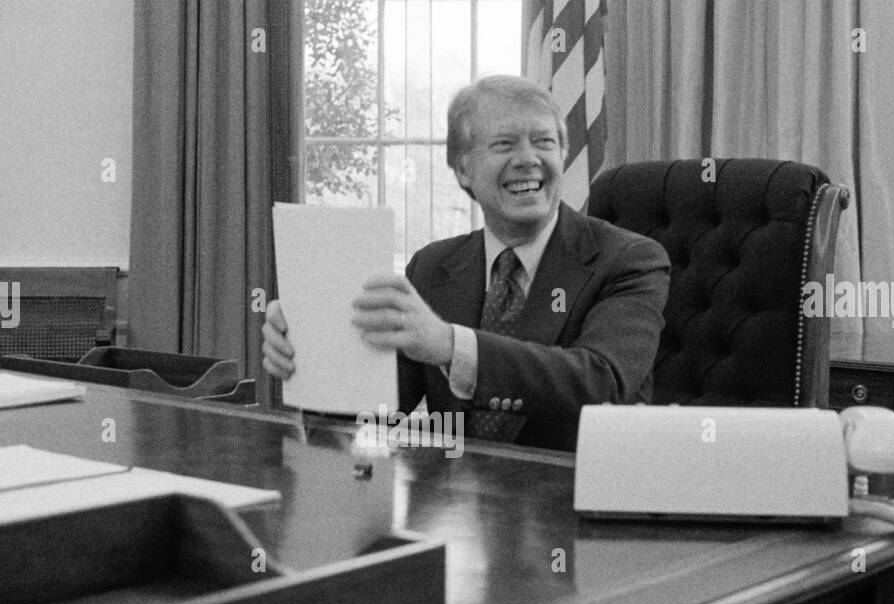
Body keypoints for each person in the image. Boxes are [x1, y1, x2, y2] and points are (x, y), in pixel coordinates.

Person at [262, 75, 669, 452]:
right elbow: (378, 413)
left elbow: (601, 383)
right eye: (504, 144)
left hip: (576, 502)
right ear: (463, 169)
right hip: (455, 505)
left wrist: (450, 346)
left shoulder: (629, 260)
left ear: (563, 154)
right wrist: (313, 358)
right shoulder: (433, 267)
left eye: (544, 142)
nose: (528, 159)